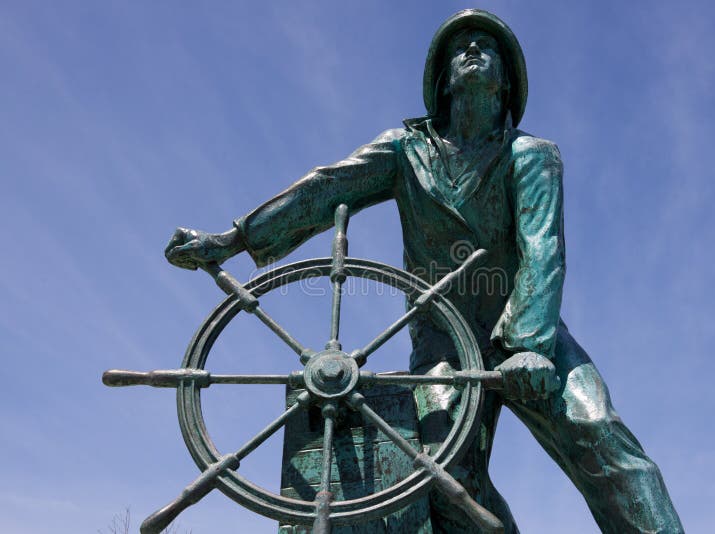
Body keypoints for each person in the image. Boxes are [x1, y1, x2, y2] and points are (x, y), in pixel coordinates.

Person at [165, 9, 683, 533]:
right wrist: (233, 240)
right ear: (442, 81)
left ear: (506, 83)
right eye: (460, 47)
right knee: (441, 472)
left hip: (528, 327)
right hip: (443, 343)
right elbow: (325, 189)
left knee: (598, 433)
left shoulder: (531, 156)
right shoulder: (404, 151)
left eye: (487, 45)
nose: (473, 50)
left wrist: (530, 345)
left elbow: (542, 249)